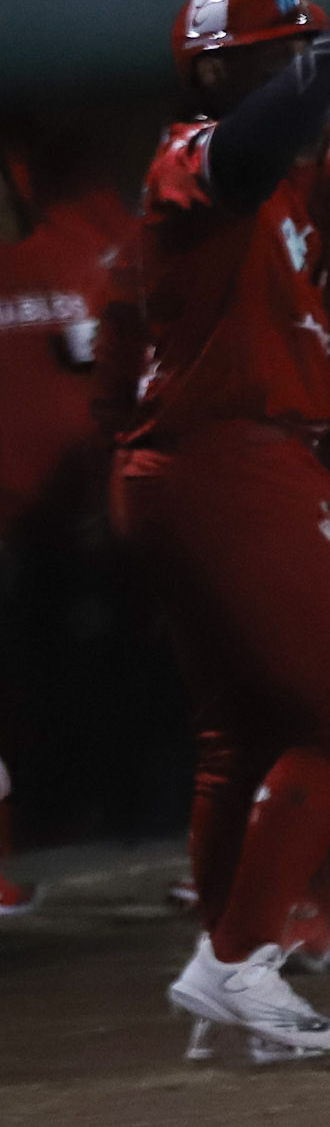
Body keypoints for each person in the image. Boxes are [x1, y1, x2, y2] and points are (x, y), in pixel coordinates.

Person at [121, 0, 330, 1063]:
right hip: (227, 457)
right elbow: (248, 146)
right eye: (278, 56)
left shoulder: (292, 163)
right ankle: (238, 959)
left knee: (244, 734)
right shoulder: (198, 148)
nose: (301, 72)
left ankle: (228, 975)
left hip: (212, 460)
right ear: (213, 72)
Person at [0, 139, 128, 916]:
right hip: (6, 524)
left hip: (90, 513)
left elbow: (114, 360)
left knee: (98, 675)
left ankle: (102, 808)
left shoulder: (76, 250)